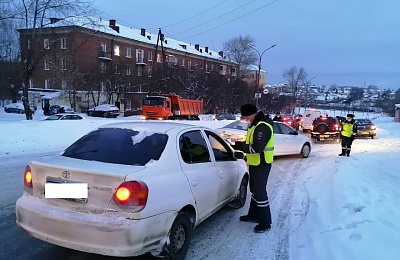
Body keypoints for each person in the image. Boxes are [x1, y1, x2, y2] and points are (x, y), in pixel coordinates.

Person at [233, 104, 274, 233]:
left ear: (252, 114)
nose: (246, 119)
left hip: (262, 163)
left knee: (260, 192)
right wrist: (242, 144)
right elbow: (251, 143)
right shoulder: (255, 125)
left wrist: (241, 147)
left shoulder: (262, 127)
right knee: (255, 190)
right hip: (255, 163)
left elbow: (257, 147)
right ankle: (253, 215)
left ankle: (265, 221)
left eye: (246, 116)